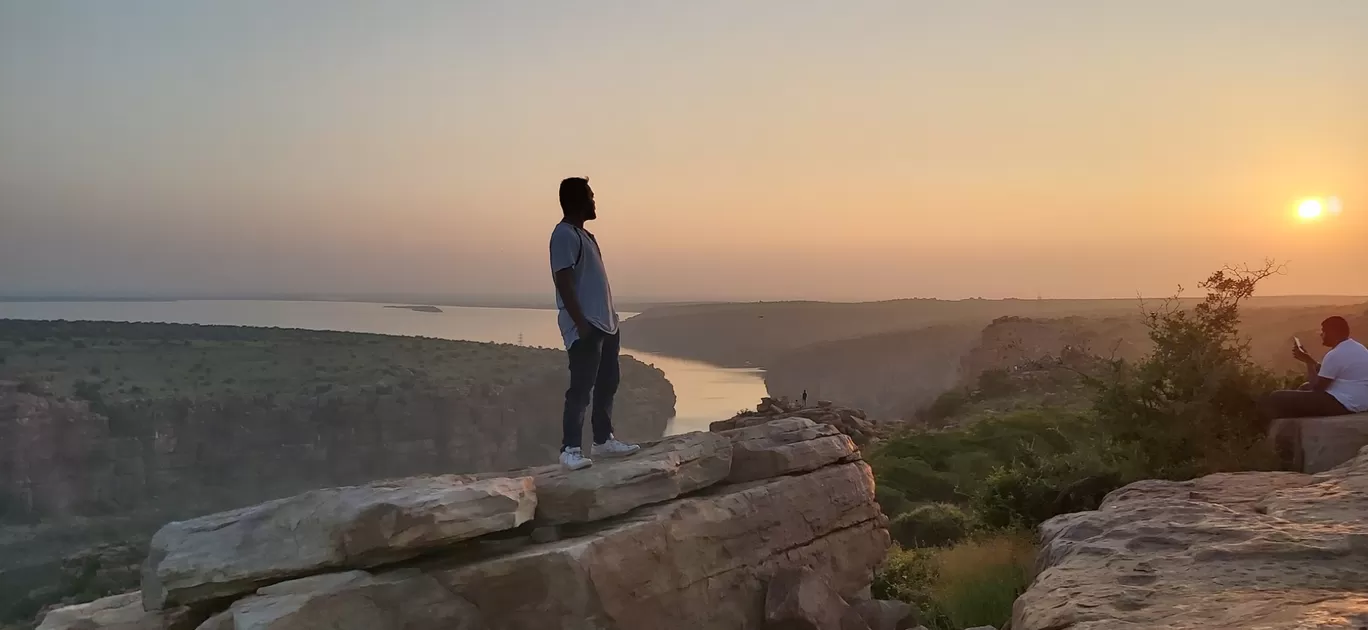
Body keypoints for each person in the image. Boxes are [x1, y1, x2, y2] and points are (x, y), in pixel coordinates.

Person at [549, 177, 640, 470]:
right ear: (577, 201)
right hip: (587, 325)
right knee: (581, 388)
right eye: (590, 196)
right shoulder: (564, 235)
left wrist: (611, 319)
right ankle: (570, 449)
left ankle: (603, 441)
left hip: (606, 324)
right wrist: (580, 323)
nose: (594, 201)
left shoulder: (586, 236)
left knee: (607, 383)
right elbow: (563, 280)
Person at [1263, 316, 1368, 421]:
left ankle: (1280, 430)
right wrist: (1309, 359)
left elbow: (1316, 389)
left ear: (1333, 332)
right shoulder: (1358, 348)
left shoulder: (1335, 354)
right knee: (1304, 387)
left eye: (1324, 331)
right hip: (1361, 401)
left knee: (1276, 397)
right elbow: (1328, 373)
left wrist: (1308, 363)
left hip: (1344, 404)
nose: (1321, 335)